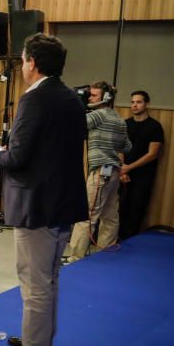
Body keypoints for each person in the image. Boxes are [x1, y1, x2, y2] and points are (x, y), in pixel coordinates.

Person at [0, 33, 88, 346]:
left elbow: (20, 156)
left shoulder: (34, 99)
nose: (22, 65)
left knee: (35, 281)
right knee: (49, 278)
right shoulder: (70, 97)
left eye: (23, 59)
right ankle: (38, 340)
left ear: (32, 64)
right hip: (63, 200)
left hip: (38, 203)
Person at [64, 81, 132, 262]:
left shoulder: (98, 115)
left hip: (100, 172)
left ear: (106, 97)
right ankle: (105, 255)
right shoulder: (119, 119)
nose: (90, 98)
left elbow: (74, 125)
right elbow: (127, 146)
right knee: (110, 215)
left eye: (93, 95)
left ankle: (75, 258)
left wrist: (75, 103)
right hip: (114, 171)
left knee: (86, 215)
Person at [119, 90, 165, 240]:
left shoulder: (154, 126)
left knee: (136, 209)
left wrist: (129, 167)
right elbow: (119, 148)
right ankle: (116, 240)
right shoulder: (125, 124)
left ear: (147, 104)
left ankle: (130, 242)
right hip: (124, 174)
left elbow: (152, 154)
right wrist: (123, 170)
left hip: (143, 175)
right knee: (120, 208)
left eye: (138, 102)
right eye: (132, 102)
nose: (134, 105)